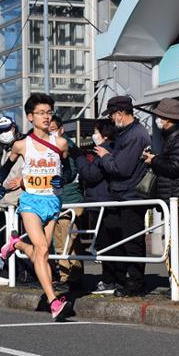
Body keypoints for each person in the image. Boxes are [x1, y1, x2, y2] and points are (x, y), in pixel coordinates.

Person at [0, 92, 73, 319]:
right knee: (43, 250)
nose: (46, 117)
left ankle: (17, 245)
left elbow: (68, 170)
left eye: (49, 112)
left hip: (53, 201)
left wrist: (63, 179)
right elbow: (5, 169)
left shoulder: (60, 143)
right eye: (41, 113)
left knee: (41, 253)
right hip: (30, 202)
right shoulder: (21, 145)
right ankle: (53, 300)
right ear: (30, 117)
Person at [95, 95, 151, 297]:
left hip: (131, 195)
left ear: (120, 113)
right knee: (122, 239)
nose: (110, 119)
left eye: (111, 114)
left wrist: (105, 156)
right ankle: (128, 280)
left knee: (132, 241)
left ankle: (136, 283)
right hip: (123, 194)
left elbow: (121, 168)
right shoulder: (128, 133)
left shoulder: (135, 135)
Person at [140, 98, 179, 288]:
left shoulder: (177, 138)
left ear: (168, 119)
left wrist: (154, 160)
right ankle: (177, 282)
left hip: (176, 197)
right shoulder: (172, 137)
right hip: (172, 196)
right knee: (175, 242)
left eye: (159, 117)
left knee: (178, 243)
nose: (157, 120)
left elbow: (175, 168)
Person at [0, 117, 35, 286]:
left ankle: (27, 275)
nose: (3, 134)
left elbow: (14, 176)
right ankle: (11, 273)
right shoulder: (7, 148)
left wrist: (3, 184)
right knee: (11, 241)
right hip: (9, 202)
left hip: (21, 200)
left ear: (14, 127)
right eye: (0, 132)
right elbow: (5, 174)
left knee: (24, 240)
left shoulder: (23, 145)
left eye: (6, 129)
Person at [71, 119, 119, 294]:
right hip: (107, 200)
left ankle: (109, 281)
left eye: (96, 131)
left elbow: (91, 174)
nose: (93, 135)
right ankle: (113, 280)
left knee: (107, 243)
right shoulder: (115, 147)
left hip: (103, 201)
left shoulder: (104, 151)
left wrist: (79, 158)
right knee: (112, 243)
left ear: (104, 134)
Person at [49, 115, 85, 291]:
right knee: (59, 241)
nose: (51, 132)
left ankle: (74, 277)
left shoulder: (67, 146)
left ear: (61, 129)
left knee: (70, 240)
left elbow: (70, 172)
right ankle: (65, 276)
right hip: (57, 199)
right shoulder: (50, 148)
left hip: (71, 199)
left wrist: (59, 180)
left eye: (54, 128)